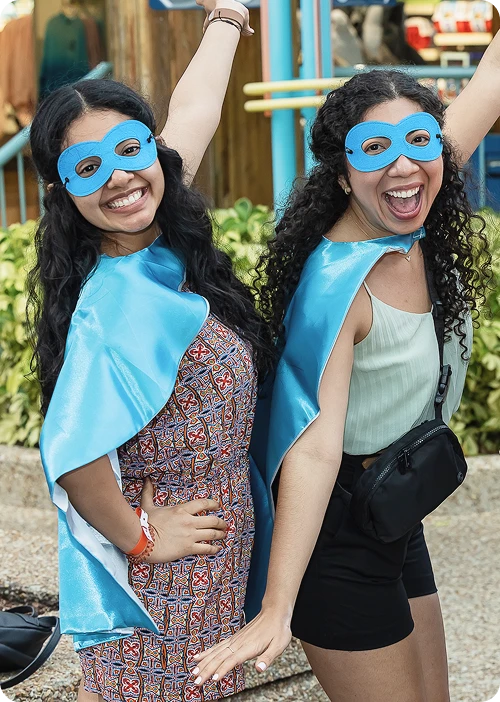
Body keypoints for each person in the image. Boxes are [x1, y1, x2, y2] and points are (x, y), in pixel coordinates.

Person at [190, 36, 500, 702]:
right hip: (338, 538)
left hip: (395, 507)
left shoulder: (412, 196)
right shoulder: (339, 287)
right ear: (341, 175)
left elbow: (492, 76)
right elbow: (313, 450)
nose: (402, 165)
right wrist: (277, 604)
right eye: (374, 150)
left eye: (419, 142)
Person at [27, 2, 274, 701]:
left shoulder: (153, 241)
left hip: (209, 561)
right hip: (168, 584)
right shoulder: (114, 304)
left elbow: (194, 111)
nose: (119, 176)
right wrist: (140, 537)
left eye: (131, 149)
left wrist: (227, 16)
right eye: (88, 167)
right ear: (64, 191)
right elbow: (70, 453)